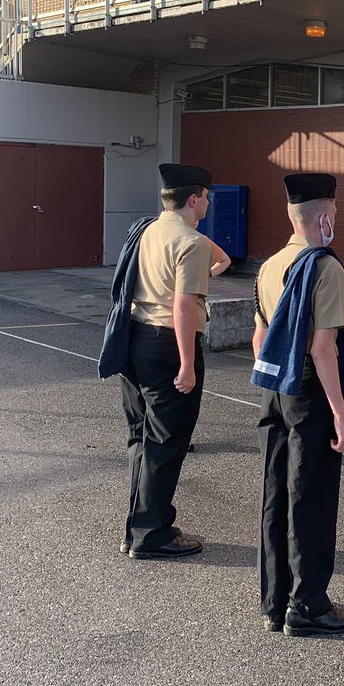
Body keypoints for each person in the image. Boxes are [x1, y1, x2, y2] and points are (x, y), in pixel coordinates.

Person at [252, 173, 344, 638]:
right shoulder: (325, 267)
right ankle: (310, 605)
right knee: (311, 496)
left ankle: (275, 602)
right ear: (324, 216)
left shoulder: (270, 263)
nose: (336, 219)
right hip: (310, 390)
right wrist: (340, 412)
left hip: (274, 388)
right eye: (335, 212)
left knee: (276, 494)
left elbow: (260, 337)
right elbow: (323, 349)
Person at [116, 163, 213, 557]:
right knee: (167, 443)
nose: (208, 202)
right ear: (193, 199)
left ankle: (136, 526)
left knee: (141, 436)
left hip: (135, 338)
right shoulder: (192, 242)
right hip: (169, 344)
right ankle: (151, 534)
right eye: (206, 196)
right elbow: (185, 304)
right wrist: (187, 364)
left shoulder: (147, 230)